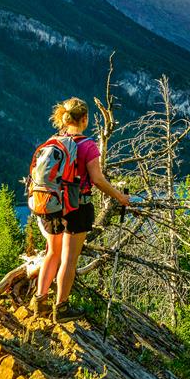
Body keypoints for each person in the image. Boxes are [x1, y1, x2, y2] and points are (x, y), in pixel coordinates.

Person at [30, 97, 130, 323]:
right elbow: (97, 179)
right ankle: (62, 308)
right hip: (77, 206)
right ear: (84, 119)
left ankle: (40, 301)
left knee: (51, 253)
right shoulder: (87, 145)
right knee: (69, 259)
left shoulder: (52, 141)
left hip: (52, 205)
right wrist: (120, 197)